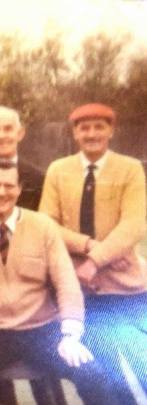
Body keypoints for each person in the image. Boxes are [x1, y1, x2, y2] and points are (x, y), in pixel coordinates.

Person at [0, 161, 116, 405]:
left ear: (19, 189)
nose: (1, 192)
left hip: (41, 330)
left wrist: (70, 335)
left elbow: (66, 282)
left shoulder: (42, 226)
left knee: (92, 371)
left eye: (8, 186)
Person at [39, 103, 147, 403]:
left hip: (127, 288)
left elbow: (134, 224)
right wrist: (89, 247)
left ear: (111, 131)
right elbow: (47, 224)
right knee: (105, 373)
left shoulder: (130, 168)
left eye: (99, 127)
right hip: (82, 290)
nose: (91, 134)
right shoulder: (58, 170)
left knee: (142, 365)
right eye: (84, 128)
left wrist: (96, 261)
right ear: (75, 133)